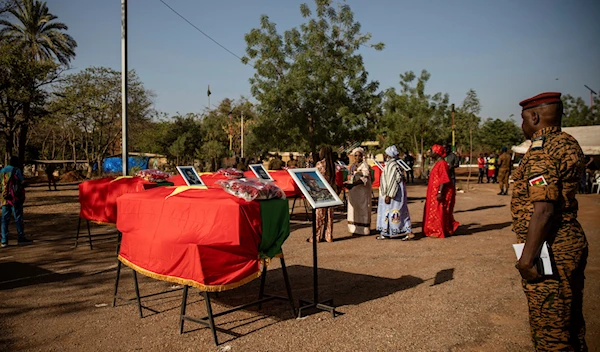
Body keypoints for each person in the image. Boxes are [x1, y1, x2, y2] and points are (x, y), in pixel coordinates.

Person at [512, 92, 588, 351]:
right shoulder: (568, 143)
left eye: (523, 119)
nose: (522, 125)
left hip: (550, 249)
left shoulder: (540, 151)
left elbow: (543, 209)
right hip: (570, 241)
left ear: (534, 117)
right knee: (571, 322)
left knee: (550, 331)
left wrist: (527, 258)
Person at [422, 144, 460, 238]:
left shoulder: (442, 164)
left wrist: (440, 192)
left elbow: (443, 179)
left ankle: (437, 230)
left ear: (437, 152)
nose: (430, 152)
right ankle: (432, 229)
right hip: (434, 191)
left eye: (432, 151)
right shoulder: (438, 163)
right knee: (434, 210)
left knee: (438, 210)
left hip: (439, 191)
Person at [376, 146, 413, 240]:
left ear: (388, 155)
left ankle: (404, 231)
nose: (384, 156)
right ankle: (387, 232)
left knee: (395, 211)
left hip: (393, 194)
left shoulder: (392, 165)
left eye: (386, 154)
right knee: (392, 211)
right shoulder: (394, 164)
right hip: (394, 193)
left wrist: (389, 195)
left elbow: (393, 181)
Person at [1, 156, 32, 247]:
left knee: (4, 219)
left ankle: (4, 240)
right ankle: (21, 237)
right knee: (18, 218)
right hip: (15, 198)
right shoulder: (16, 170)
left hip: (4, 198)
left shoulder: (2, 171)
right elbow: (22, 182)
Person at [310, 146, 337, 243]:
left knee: (319, 216)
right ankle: (328, 236)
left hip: (321, 193)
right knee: (329, 216)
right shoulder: (332, 165)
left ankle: (316, 237)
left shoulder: (320, 164)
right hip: (330, 193)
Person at [346, 147, 372, 235]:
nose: (357, 157)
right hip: (353, 192)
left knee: (363, 208)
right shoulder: (352, 166)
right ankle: (354, 229)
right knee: (353, 209)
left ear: (362, 156)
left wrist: (353, 184)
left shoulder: (364, 165)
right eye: (355, 155)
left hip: (362, 191)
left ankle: (364, 230)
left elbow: (364, 178)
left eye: (359, 155)